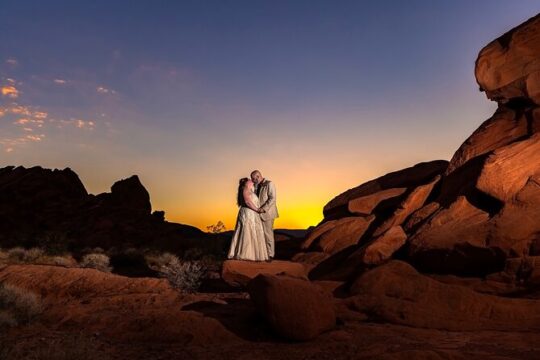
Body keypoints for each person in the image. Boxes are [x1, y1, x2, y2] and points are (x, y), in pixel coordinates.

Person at [227, 177, 269, 261]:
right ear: (246, 183)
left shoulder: (250, 190)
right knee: (247, 231)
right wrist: (257, 210)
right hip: (248, 213)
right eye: (250, 180)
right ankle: (245, 254)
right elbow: (248, 202)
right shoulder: (245, 190)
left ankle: (253, 255)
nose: (252, 181)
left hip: (252, 213)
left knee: (252, 231)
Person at [250, 170, 278, 262]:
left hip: (267, 213)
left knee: (268, 234)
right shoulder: (255, 186)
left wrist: (263, 209)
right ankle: (262, 254)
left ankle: (270, 255)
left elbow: (272, 198)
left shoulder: (269, 184)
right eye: (252, 179)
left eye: (254, 178)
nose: (253, 180)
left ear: (258, 176)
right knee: (260, 235)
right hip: (257, 214)